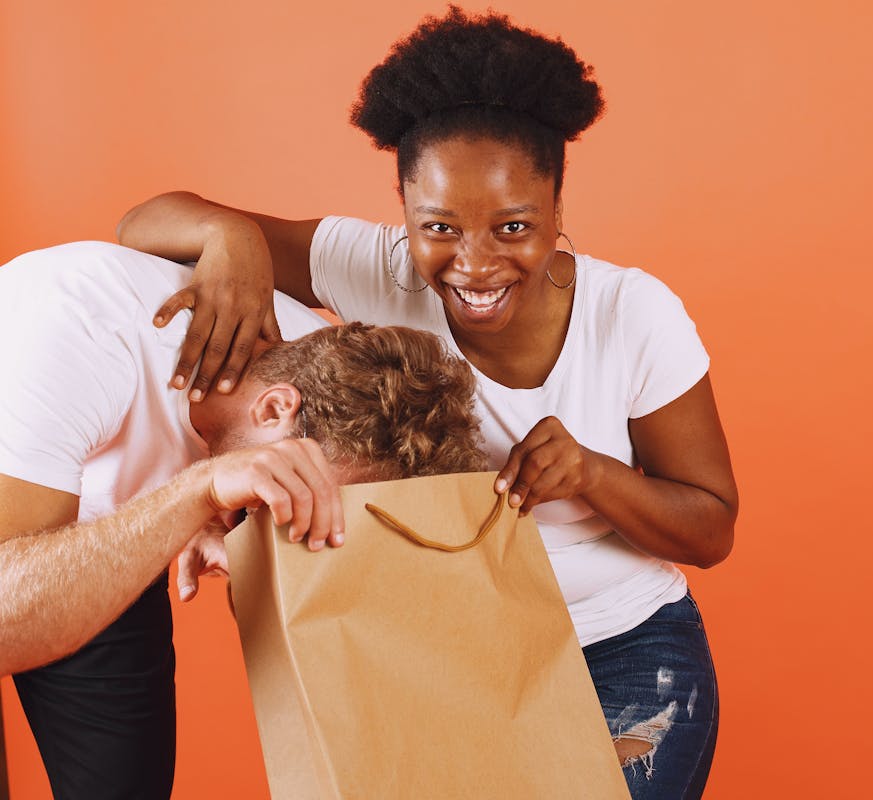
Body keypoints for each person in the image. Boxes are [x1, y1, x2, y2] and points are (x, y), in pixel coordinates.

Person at [117, 7, 738, 798]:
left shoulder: (634, 316)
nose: (474, 264)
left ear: (557, 210)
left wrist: (590, 475)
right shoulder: (379, 265)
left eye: (513, 226)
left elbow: (712, 527)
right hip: (442, 647)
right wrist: (232, 237)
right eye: (438, 226)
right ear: (403, 210)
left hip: (623, 654)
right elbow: (142, 223)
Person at [0, 240, 484, 799]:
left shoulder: (330, 378)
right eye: (295, 483)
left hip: (99, 519)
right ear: (274, 409)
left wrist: (210, 517)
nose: (293, 519)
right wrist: (195, 493)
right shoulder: (84, 333)